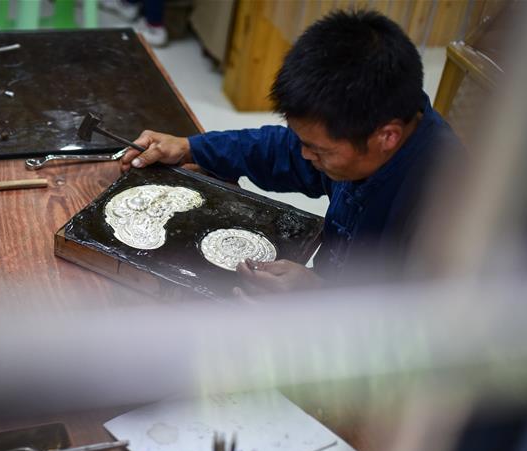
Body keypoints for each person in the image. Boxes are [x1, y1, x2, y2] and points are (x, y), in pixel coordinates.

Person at [120, 10, 463, 295]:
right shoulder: (357, 136)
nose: (305, 154)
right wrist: (192, 147)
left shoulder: (450, 211)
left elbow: (420, 324)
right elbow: (281, 149)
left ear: (386, 137)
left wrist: (318, 294)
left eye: (317, 149)